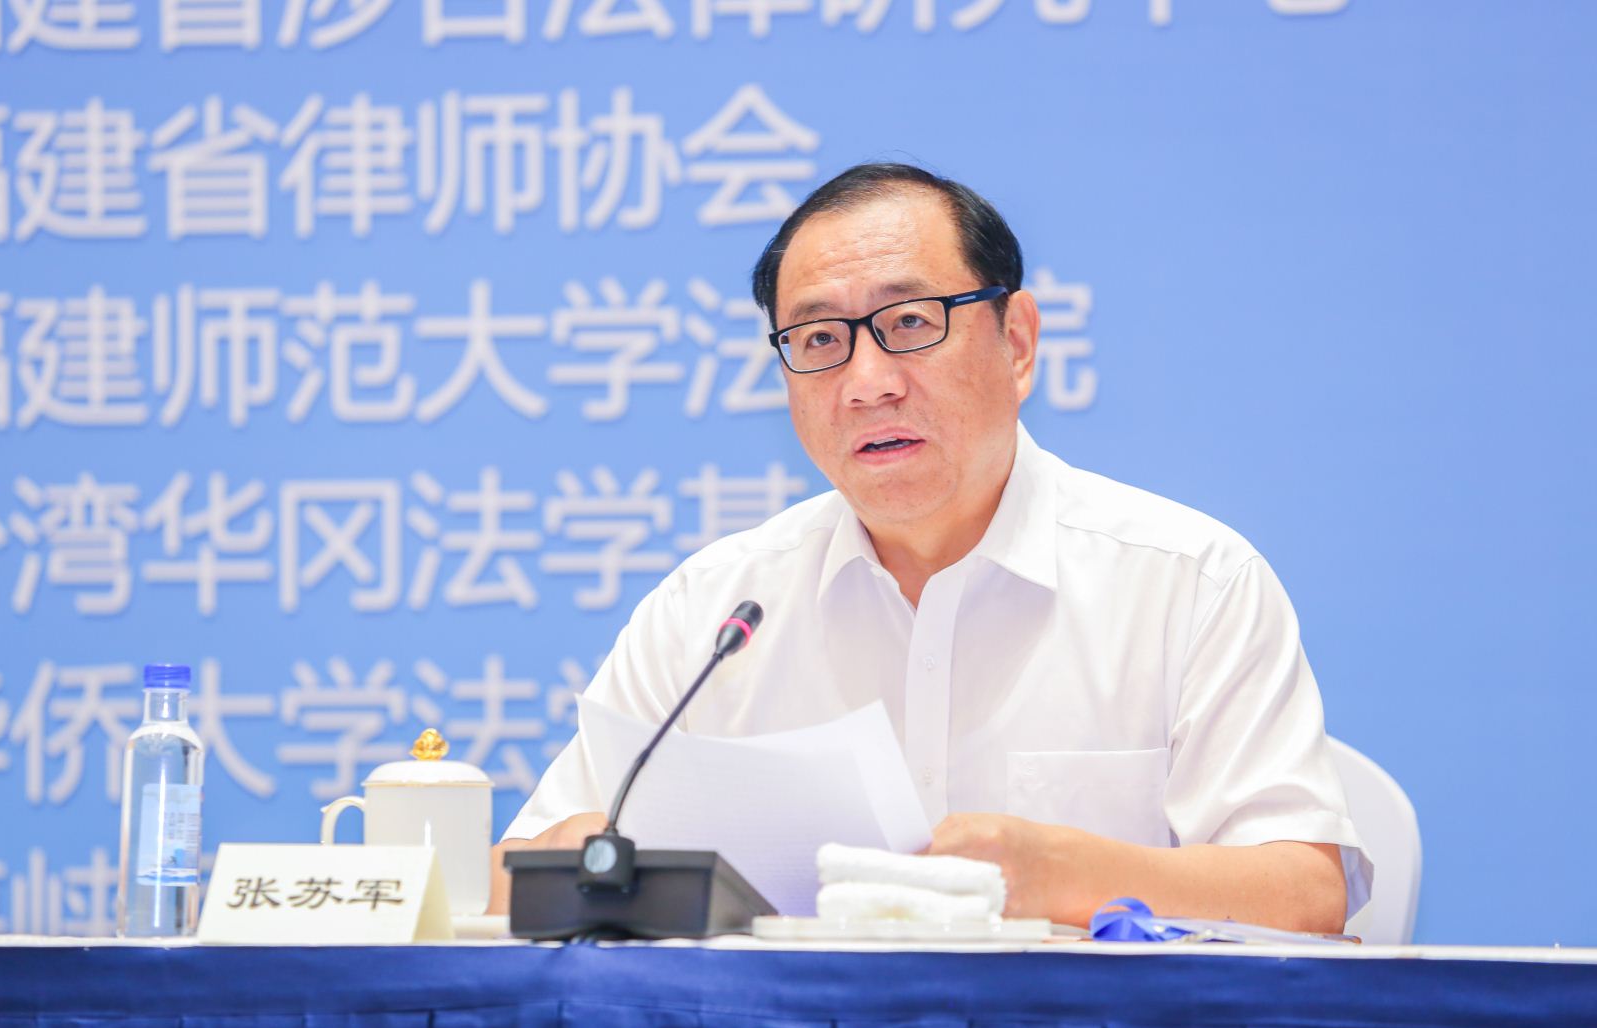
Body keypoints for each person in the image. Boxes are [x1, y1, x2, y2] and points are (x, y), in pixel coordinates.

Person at [490, 163, 1370, 931]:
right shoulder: (715, 612)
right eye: (820, 339)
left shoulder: (1189, 582)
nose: (867, 383)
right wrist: (583, 852)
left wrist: (1070, 874)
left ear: (1016, 341)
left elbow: (1304, 891)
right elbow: (506, 883)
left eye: (910, 322)